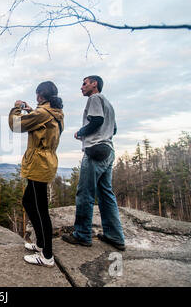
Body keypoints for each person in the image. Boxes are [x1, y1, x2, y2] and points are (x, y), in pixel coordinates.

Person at [61, 75, 126, 251]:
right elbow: (114, 129)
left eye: (84, 83)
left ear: (94, 84)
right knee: (106, 194)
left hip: (96, 151)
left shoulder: (95, 98)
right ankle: (115, 237)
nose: (82, 87)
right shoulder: (109, 104)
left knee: (85, 194)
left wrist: (80, 132)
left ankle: (82, 235)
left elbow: (96, 121)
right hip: (108, 151)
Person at [8, 81, 64, 267]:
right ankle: (40, 243)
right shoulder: (55, 112)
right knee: (28, 202)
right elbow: (42, 122)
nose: (36, 97)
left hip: (39, 163)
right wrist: (32, 110)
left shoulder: (42, 114)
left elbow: (15, 126)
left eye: (37, 94)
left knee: (41, 210)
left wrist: (17, 108)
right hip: (46, 162)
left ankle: (47, 256)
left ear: (41, 95)